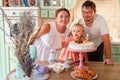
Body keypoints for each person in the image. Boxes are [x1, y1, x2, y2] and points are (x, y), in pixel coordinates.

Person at [70, 0, 113, 65]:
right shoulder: (78, 20)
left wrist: (108, 58)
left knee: (97, 67)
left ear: (94, 12)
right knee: (83, 66)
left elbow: (106, 40)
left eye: (89, 12)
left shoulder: (101, 20)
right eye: (84, 12)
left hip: (97, 47)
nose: (86, 15)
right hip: (83, 48)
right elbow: (70, 34)